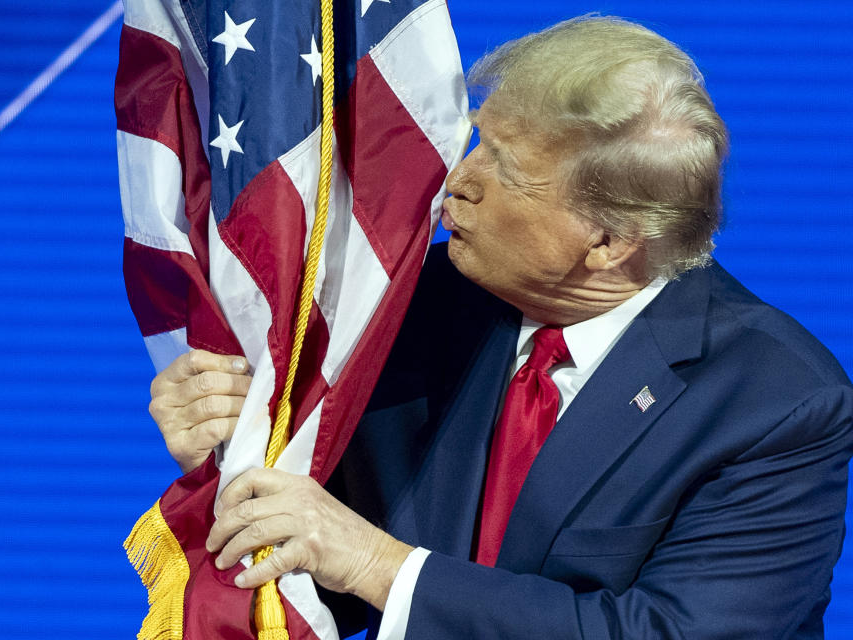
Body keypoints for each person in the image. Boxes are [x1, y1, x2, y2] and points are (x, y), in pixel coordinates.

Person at [146, 16, 853, 639]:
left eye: (505, 170)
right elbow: (328, 571)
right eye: (479, 141)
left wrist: (377, 563)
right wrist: (237, 448)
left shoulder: (775, 402)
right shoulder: (419, 306)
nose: (458, 177)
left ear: (607, 241)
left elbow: (663, 632)